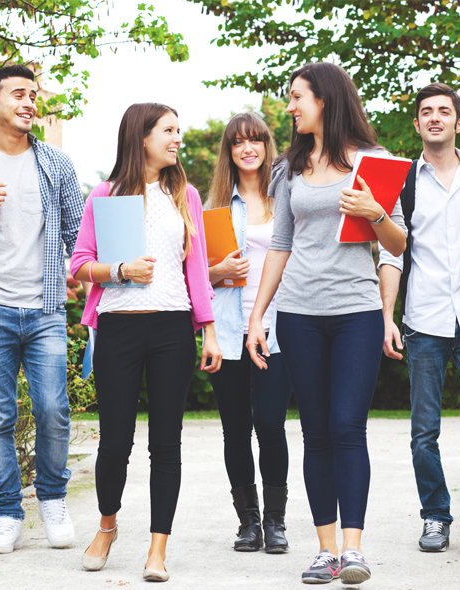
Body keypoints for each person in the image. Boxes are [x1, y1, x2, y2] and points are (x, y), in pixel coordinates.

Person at [246, 62, 407, 585]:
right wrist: (258, 316)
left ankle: (354, 550)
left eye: (298, 98)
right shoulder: (289, 166)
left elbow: (399, 244)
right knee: (314, 432)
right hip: (298, 314)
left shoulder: (374, 162)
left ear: (327, 99)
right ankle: (325, 550)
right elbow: (280, 244)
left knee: (345, 426)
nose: (290, 108)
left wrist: (374, 211)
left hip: (356, 312)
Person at [70, 102, 222, 582]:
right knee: (115, 442)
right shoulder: (105, 194)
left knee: (166, 443)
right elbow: (78, 264)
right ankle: (107, 526)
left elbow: (195, 269)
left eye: (180, 129)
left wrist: (209, 329)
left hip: (173, 328)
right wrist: (120, 271)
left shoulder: (186, 196)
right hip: (118, 326)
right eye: (169, 131)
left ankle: (158, 548)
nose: (178, 139)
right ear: (141, 137)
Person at [0, 65, 84, 553]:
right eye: (18, 94)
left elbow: (78, 237)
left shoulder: (56, 164)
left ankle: (54, 500)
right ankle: (5, 514)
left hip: (44, 310)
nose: (29, 103)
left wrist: (82, 273)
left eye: (33, 95)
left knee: (52, 409)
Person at [379, 83, 460, 553]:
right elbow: (391, 253)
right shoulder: (403, 181)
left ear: (459, 123)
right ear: (418, 123)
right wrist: (387, 316)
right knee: (425, 430)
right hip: (424, 321)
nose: (435, 117)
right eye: (427, 111)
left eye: (445, 111)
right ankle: (435, 517)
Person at [205, 113, 293, 553]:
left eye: (255, 139)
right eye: (238, 142)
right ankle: (249, 522)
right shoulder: (214, 209)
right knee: (235, 429)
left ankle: (276, 521)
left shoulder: (288, 198)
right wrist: (215, 271)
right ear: (230, 152)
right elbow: (193, 279)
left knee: (270, 424)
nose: (247, 148)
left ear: (266, 145)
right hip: (228, 329)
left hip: (278, 327)